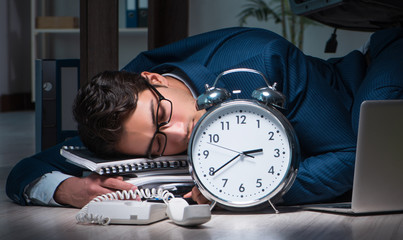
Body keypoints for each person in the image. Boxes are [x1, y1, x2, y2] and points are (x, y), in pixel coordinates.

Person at [6, 27, 403, 208]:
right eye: (158, 145)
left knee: (377, 119)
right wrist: (64, 190)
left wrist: (240, 193)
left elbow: (355, 160)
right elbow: (27, 171)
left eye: (163, 114)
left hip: (372, 71)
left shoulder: (263, 58)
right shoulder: (119, 112)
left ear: (155, 79)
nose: (180, 131)